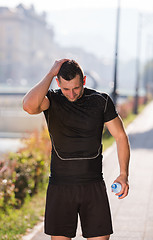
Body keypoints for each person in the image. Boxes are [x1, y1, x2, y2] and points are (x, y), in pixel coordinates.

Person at [23, 59, 130, 240]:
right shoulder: (52, 100)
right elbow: (28, 105)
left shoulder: (100, 101)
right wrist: (50, 73)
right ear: (58, 83)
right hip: (60, 187)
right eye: (66, 89)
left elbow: (120, 137)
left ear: (84, 81)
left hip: (93, 185)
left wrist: (123, 173)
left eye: (76, 88)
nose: (71, 94)